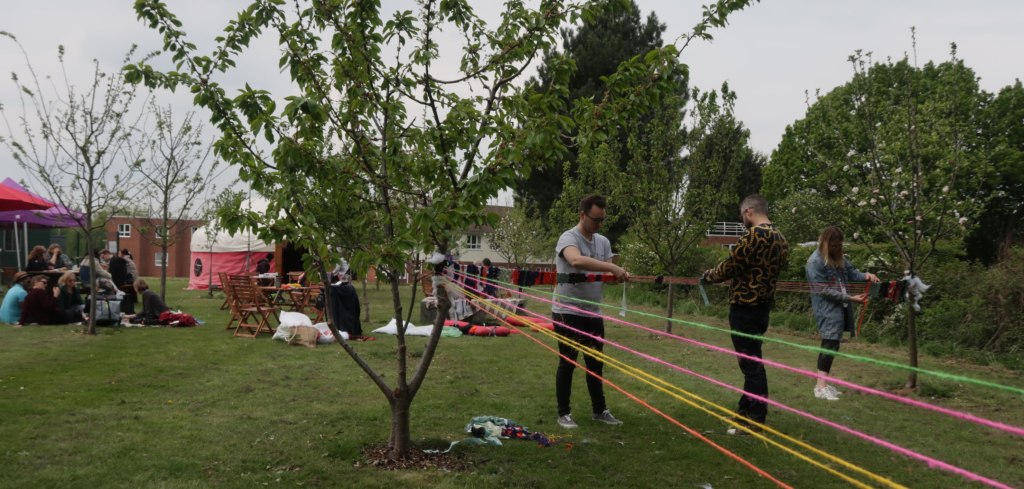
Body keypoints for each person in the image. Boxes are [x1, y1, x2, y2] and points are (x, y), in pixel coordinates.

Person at [702, 194, 789, 433]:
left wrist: (708, 276)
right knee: (751, 362)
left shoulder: (753, 236)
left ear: (749, 211)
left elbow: (730, 266)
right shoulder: (781, 239)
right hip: (763, 309)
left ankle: (755, 419)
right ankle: (743, 411)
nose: (743, 220)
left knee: (751, 366)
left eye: (743, 215)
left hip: (744, 308)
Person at [552, 194, 629, 429]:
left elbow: (606, 276)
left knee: (595, 364)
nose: (599, 224)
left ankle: (599, 410)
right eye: (595, 219)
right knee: (568, 363)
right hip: (567, 312)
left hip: (593, 313)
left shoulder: (603, 242)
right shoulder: (568, 238)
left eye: (602, 220)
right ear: (582, 215)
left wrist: (620, 276)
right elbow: (576, 261)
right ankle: (564, 413)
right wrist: (612, 266)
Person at [806, 227, 879, 401]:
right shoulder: (815, 262)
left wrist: (867, 275)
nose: (836, 249)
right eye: (833, 246)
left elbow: (852, 273)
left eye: (839, 246)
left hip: (841, 306)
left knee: (833, 343)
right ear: (824, 243)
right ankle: (820, 387)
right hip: (827, 309)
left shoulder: (839, 258)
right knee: (830, 343)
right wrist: (850, 298)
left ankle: (822, 384)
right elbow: (823, 290)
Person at [107, 250, 136, 315]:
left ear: (123, 254)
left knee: (111, 280)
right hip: (130, 277)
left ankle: (115, 293)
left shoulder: (124, 259)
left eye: (119, 253)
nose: (118, 254)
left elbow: (126, 271)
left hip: (130, 278)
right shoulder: (126, 259)